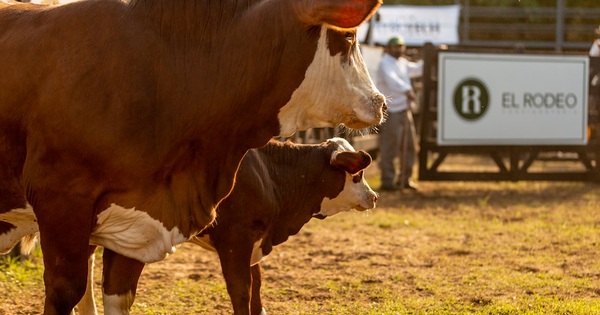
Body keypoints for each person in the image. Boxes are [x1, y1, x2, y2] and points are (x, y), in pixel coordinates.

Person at [376, 35, 423, 192]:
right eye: (395, 46)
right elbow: (392, 80)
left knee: (409, 145)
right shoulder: (385, 63)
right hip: (391, 110)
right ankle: (387, 180)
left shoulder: (402, 63)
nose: (398, 49)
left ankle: (405, 178)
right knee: (391, 146)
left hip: (404, 109)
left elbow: (417, 69)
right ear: (388, 48)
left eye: (400, 46)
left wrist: (431, 56)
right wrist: (407, 89)